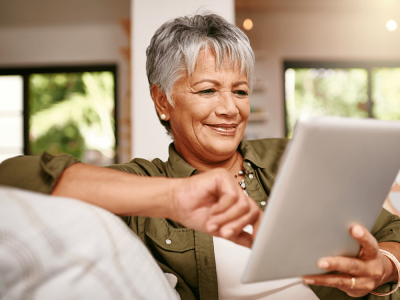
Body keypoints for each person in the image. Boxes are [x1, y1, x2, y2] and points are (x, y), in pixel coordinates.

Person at [1, 13, 400, 300]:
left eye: (240, 91)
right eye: (208, 90)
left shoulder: (289, 158)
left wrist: (382, 265)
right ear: (163, 101)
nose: (230, 109)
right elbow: (14, 178)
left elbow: (392, 233)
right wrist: (173, 197)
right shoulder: (146, 184)